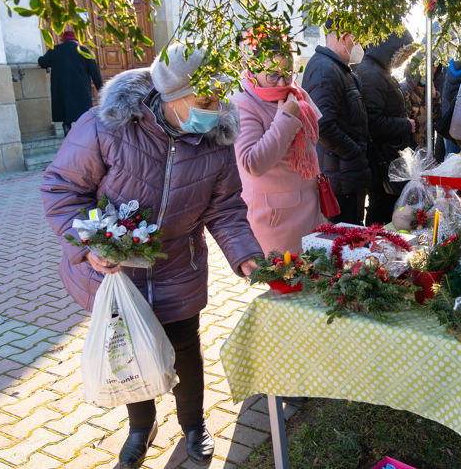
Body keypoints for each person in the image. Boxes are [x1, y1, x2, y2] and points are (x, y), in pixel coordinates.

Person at [41, 43, 263, 469]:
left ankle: (194, 424)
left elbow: (226, 209)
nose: (213, 110)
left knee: (185, 350)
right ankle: (141, 428)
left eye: (218, 99)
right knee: (128, 351)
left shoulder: (214, 139)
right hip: (117, 272)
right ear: (170, 94)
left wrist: (246, 255)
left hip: (179, 266)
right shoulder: (108, 126)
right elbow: (62, 190)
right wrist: (91, 246)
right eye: (203, 100)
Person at [232, 36, 323, 255]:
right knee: (283, 283)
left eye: (288, 74)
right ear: (253, 69)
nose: (282, 84)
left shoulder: (298, 94)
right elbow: (251, 162)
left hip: (310, 206)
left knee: (312, 276)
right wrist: (285, 120)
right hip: (275, 218)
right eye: (272, 75)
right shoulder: (243, 100)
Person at [301, 17, 370, 225]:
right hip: (340, 179)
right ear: (344, 37)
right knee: (345, 244)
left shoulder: (338, 67)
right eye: (356, 40)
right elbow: (323, 126)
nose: (358, 46)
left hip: (347, 175)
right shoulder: (325, 69)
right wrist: (355, 153)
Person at [356, 30, 417, 225]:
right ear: (392, 50)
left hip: (388, 157)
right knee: (381, 210)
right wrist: (405, 125)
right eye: (405, 54)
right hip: (382, 160)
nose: (406, 59)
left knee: (386, 208)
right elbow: (374, 123)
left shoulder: (378, 70)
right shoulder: (372, 74)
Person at [38, 30, 104, 135]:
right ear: (76, 40)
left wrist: (41, 59)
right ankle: (81, 135)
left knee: (65, 109)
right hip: (80, 88)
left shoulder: (54, 50)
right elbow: (95, 72)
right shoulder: (84, 51)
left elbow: (43, 62)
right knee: (82, 114)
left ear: (63, 40)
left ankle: (66, 126)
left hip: (61, 88)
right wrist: (101, 90)